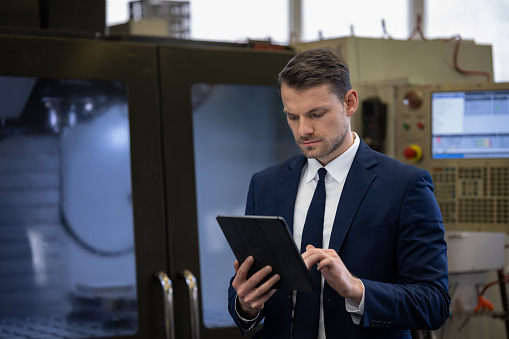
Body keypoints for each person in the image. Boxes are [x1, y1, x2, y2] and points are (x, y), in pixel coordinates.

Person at [227, 47, 450, 338]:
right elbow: (249, 286)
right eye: (292, 116)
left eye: (316, 114)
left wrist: (356, 290)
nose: (303, 130)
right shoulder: (265, 184)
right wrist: (246, 304)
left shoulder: (405, 186)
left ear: (350, 102)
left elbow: (434, 303)